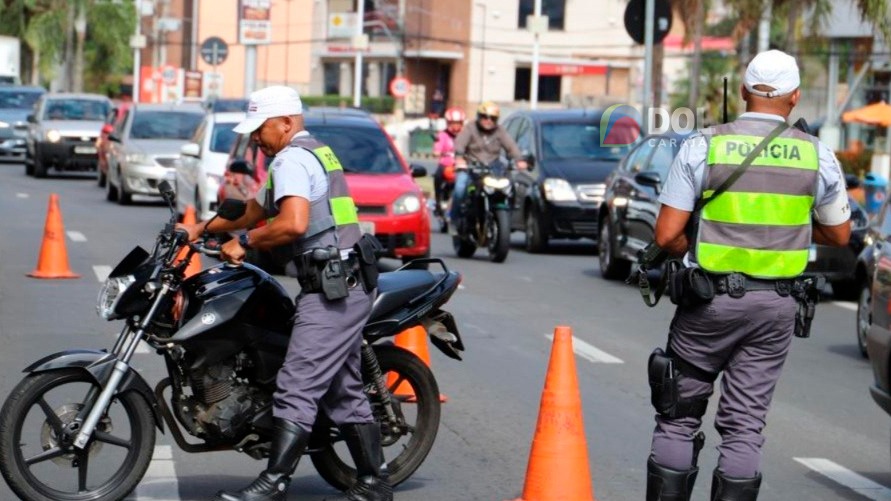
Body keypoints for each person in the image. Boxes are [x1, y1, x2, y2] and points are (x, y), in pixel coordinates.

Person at [645, 50, 851, 501]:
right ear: (794, 97)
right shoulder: (817, 156)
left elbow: (666, 233)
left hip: (707, 302)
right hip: (775, 308)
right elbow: (839, 233)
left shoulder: (705, 144)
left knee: (679, 414)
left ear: (743, 92)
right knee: (745, 425)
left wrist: (692, 248)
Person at [177, 85, 391, 501]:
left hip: (333, 290)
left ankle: (274, 481)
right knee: (342, 388)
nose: (256, 137)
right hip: (343, 282)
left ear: (287, 123)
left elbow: (292, 223)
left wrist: (245, 241)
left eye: (261, 128)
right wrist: (201, 229)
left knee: (296, 383)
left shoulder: (292, 159)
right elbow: (258, 208)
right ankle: (374, 481)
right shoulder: (307, 153)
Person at [450, 101, 528, 228]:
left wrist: (519, 160)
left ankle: (505, 214)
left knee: (509, 185)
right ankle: (454, 219)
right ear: (479, 116)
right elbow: (460, 143)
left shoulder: (500, 131)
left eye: (492, 118)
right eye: (485, 117)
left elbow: (511, 146)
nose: (488, 121)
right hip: (471, 166)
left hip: (493, 167)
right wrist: (459, 158)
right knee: (460, 188)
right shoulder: (470, 127)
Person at [432, 107, 465, 225]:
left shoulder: (465, 135)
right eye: (453, 124)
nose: (456, 127)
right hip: (446, 165)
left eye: (458, 124)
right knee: (437, 176)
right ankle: (438, 201)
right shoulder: (443, 135)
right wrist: (437, 151)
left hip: (461, 166)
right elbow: (437, 147)